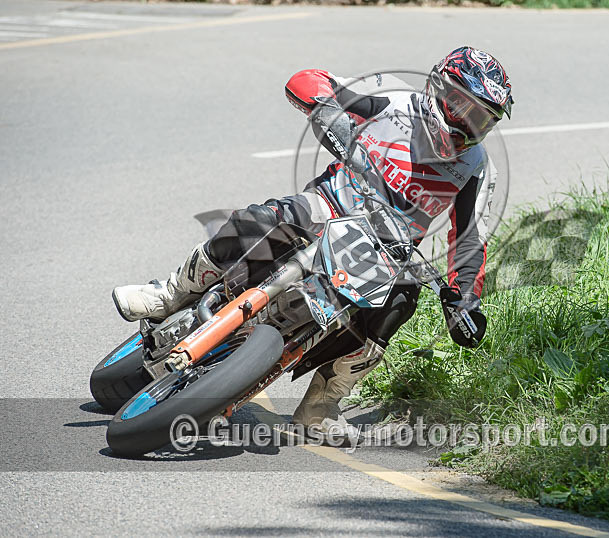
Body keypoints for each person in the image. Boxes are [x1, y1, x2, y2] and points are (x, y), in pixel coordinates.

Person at [112, 46, 513, 434]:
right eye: (465, 109)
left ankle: (320, 408)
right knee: (261, 220)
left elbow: (470, 241)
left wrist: (464, 303)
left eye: (482, 120)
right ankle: (168, 293)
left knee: (402, 303)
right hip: (327, 206)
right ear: (438, 89)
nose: (468, 126)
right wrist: (327, 114)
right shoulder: (390, 102)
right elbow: (309, 80)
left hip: (386, 253)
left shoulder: (477, 168)